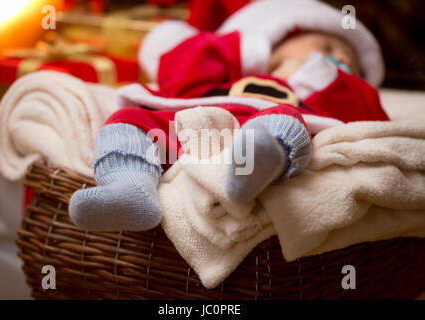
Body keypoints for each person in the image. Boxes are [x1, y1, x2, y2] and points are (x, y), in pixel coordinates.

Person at [69, 0, 389, 231]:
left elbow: (367, 120)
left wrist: (327, 78)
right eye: (328, 46)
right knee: (130, 120)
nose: (342, 57)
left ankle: (249, 173)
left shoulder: (311, 99)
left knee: (286, 121)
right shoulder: (227, 74)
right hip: (193, 120)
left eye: (352, 66)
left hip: (258, 129)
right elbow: (180, 73)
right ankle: (129, 191)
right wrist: (246, 49)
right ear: (277, 38)